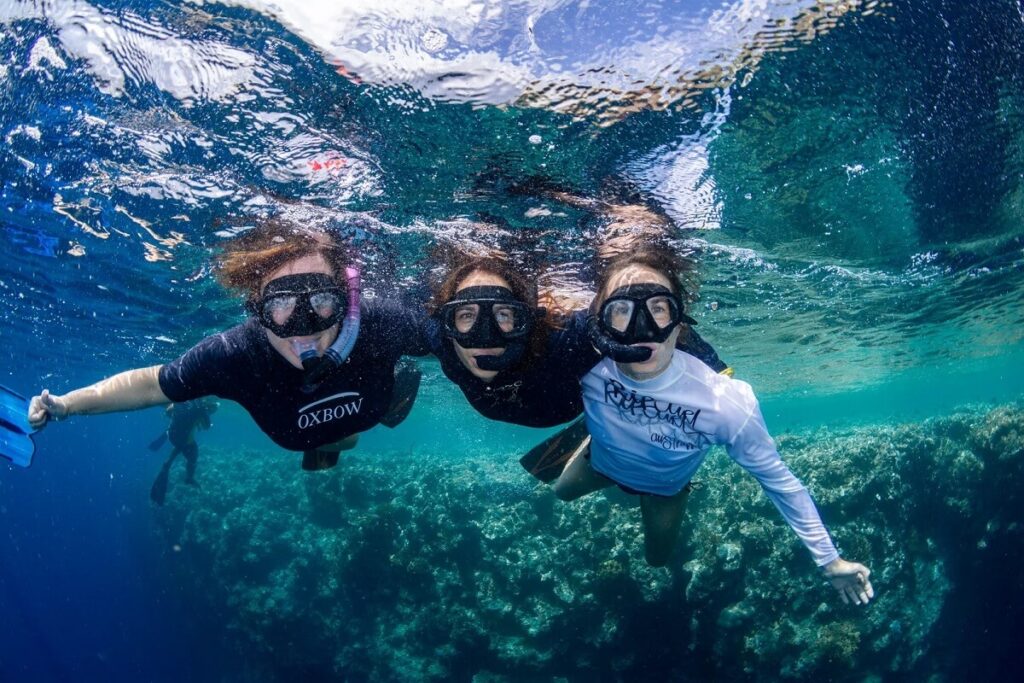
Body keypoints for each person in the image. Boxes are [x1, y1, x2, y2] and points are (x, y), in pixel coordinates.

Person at [552, 243, 874, 605]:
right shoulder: (585, 363)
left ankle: (677, 484)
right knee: (558, 492)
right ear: (601, 322)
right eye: (622, 310)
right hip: (601, 463)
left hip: (664, 488)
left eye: (658, 308)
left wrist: (829, 560)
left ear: (680, 320)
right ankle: (589, 440)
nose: (642, 329)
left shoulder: (724, 401)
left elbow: (780, 481)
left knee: (656, 560)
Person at [28, 219, 427, 471]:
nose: (304, 327)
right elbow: (152, 383)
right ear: (258, 309)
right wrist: (66, 404)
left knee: (361, 429)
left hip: (376, 406)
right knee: (349, 437)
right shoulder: (237, 355)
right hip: (343, 424)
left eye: (322, 300)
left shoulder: (379, 323)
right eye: (282, 303)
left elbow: (459, 339)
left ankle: (363, 419)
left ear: (348, 301)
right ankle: (331, 447)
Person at [148, 397, 218, 505]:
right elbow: (206, 427)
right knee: (193, 453)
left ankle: (167, 458)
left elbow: (168, 411)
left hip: (172, 435)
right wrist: (204, 419)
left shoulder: (182, 399)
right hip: (184, 440)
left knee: (179, 438)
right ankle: (189, 478)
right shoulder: (201, 409)